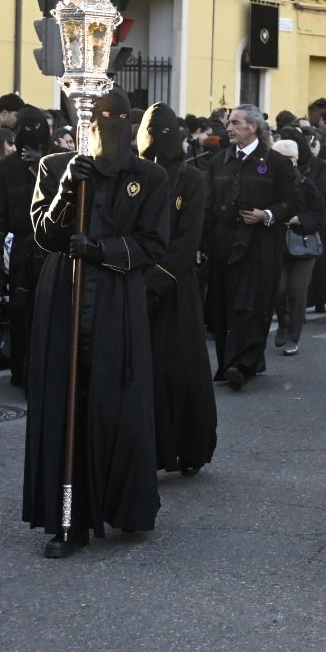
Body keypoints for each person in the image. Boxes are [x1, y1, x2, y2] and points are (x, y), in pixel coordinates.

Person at [23, 90, 169, 555]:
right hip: (63, 295)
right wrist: (67, 190)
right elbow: (45, 235)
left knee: (113, 401)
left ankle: (122, 504)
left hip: (114, 299)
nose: (111, 127)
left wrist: (103, 251)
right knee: (64, 401)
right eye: (102, 119)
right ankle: (67, 520)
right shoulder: (55, 166)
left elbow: (152, 244)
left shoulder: (149, 176)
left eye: (120, 119)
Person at [138, 103, 217, 477]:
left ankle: (188, 446)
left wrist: (153, 281)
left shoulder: (191, 179)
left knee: (180, 367)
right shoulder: (132, 175)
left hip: (174, 287)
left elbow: (187, 242)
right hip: (135, 283)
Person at [202, 104, 295, 391]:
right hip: (223, 243)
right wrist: (201, 243)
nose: (228, 128)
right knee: (222, 304)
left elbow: (291, 202)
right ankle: (229, 361)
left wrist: (265, 215)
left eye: (235, 123)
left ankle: (240, 364)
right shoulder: (218, 161)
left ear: (253, 127)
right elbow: (206, 205)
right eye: (229, 123)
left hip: (259, 244)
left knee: (251, 303)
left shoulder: (276, 163)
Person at [0, 108, 51, 388]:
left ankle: (47, 368)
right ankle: (21, 368)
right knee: (20, 309)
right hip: (23, 245)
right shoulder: (8, 167)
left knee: (48, 308)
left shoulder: (58, 162)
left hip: (51, 247)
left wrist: (43, 167)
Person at [272, 137, 326, 357]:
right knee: (278, 289)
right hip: (278, 243)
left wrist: (300, 220)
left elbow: (321, 213)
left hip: (302, 245)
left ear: (294, 160)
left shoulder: (305, 183)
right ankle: (284, 324)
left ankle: (293, 337)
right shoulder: (272, 183)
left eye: (283, 159)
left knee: (297, 292)